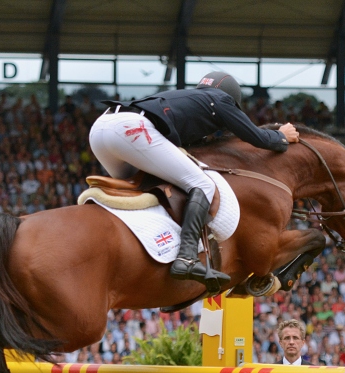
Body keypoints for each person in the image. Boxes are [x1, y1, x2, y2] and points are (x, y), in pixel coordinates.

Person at [89, 71, 300, 291]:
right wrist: (281, 135)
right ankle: (187, 257)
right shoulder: (221, 99)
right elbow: (256, 137)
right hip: (131, 129)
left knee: (139, 192)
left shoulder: (188, 100)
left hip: (101, 129)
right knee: (203, 185)